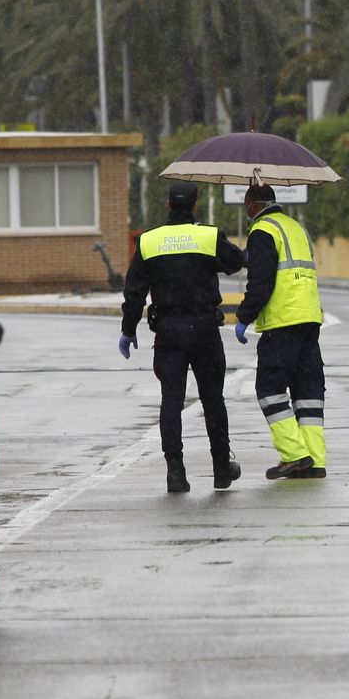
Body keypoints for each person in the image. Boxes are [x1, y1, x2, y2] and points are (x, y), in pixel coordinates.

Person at [120, 180, 246, 493]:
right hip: (204, 328)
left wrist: (128, 328)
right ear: (194, 206)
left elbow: (135, 290)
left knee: (171, 401)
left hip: (168, 331)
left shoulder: (149, 241)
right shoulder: (207, 235)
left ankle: (175, 472)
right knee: (212, 399)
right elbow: (235, 262)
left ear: (167, 205)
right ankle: (220, 468)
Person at [233, 184, 327, 480]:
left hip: (281, 322)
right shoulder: (296, 227)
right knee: (307, 393)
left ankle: (295, 455)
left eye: (246, 206)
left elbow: (261, 282)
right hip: (309, 319)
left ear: (252, 205)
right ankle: (315, 459)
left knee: (270, 391)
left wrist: (244, 316)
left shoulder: (262, 230)